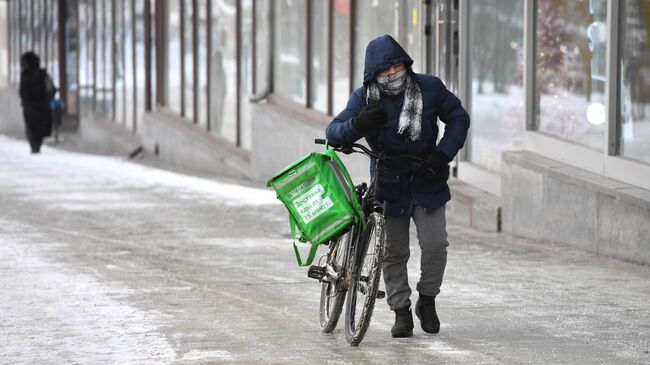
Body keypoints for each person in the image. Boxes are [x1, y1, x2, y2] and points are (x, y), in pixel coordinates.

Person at [325, 35, 470, 338]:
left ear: (406, 63)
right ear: (373, 74)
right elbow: (333, 133)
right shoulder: (364, 98)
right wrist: (359, 125)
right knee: (393, 252)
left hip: (426, 176)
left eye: (396, 66)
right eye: (384, 70)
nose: (392, 74)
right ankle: (401, 311)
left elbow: (458, 117)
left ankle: (427, 300)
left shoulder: (429, 87)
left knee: (435, 246)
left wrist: (442, 154)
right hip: (389, 180)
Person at [19, 51, 55, 154]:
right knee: (39, 125)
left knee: (31, 125)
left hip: (30, 106)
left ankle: (34, 145)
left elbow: (21, 92)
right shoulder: (42, 74)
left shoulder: (25, 75)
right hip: (41, 105)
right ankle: (36, 144)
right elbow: (50, 88)